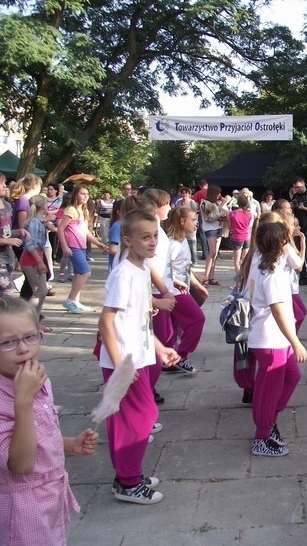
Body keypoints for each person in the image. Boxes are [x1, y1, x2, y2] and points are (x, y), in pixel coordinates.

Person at [0, 296, 99, 544]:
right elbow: (20, 465)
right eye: (8, 342)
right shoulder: (11, 394)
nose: (23, 348)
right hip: (20, 506)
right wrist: (22, 401)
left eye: (30, 337)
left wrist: (67, 444)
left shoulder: (40, 380)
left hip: (52, 495)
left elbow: (40, 432)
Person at [98, 210, 181, 504]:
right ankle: (128, 481)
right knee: (142, 417)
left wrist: (159, 348)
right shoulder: (123, 274)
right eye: (145, 237)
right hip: (125, 360)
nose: (152, 242)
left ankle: (127, 474)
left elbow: (139, 319)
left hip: (139, 356)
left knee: (133, 418)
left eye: (155, 235)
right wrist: (121, 364)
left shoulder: (141, 269)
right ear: (127, 240)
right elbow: (106, 322)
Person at [244, 221, 307, 456]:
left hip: (273, 338)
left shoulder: (264, 262)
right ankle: (262, 435)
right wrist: (296, 342)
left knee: (291, 376)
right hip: (271, 339)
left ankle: (269, 420)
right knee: (267, 389)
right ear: (281, 245)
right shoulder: (270, 273)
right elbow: (278, 311)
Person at [162, 206, 207, 375]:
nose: (196, 223)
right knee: (197, 319)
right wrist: (177, 282)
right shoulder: (172, 243)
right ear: (182, 221)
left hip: (179, 288)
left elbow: (182, 266)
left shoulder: (182, 240)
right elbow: (163, 268)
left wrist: (194, 279)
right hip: (174, 291)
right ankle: (181, 356)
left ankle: (170, 360)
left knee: (172, 326)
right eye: (193, 220)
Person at [57, 185, 108, 313]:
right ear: (76, 195)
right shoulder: (71, 210)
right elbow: (61, 228)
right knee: (86, 272)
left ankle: (75, 301)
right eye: (82, 193)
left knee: (78, 274)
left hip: (81, 245)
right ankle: (70, 300)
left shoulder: (83, 211)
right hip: (73, 246)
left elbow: (85, 231)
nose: (85, 196)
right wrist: (64, 246)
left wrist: (98, 242)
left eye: (87, 194)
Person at [20, 195, 52, 328]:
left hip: (35, 256)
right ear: (43, 206)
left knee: (41, 291)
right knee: (41, 290)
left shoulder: (38, 221)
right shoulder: (33, 222)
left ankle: (34, 320)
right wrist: (39, 261)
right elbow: (30, 244)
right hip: (31, 258)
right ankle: (25, 317)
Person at [200, 184, 226, 286]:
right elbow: (209, 218)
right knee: (212, 253)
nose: (219, 195)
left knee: (214, 255)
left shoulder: (216, 203)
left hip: (218, 228)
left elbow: (217, 214)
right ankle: (205, 277)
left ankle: (211, 277)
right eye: (218, 193)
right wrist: (220, 216)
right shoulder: (205, 203)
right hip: (210, 229)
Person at [228, 194, 253, 279]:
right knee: (244, 259)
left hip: (237, 237)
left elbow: (229, 226)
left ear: (237, 203)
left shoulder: (232, 214)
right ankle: (246, 277)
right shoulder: (249, 214)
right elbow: (249, 225)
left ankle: (240, 280)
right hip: (247, 236)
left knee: (236, 261)